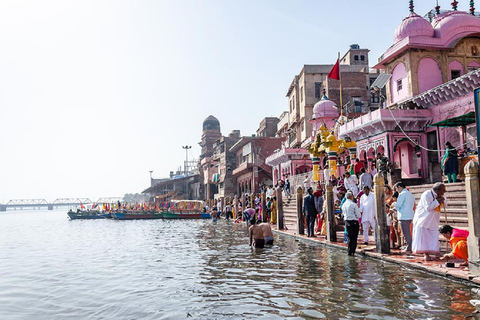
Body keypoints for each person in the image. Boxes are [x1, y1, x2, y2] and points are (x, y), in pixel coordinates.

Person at [412, 182, 447, 261]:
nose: (444, 192)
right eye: (443, 190)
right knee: (424, 237)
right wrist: (437, 201)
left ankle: (436, 252)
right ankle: (426, 254)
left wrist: (442, 201)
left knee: (434, 236)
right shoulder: (427, 194)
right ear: (437, 191)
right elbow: (428, 208)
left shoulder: (442, 194)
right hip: (423, 219)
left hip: (433, 218)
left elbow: (445, 205)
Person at [394, 181, 415, 254]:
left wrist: (395, 208)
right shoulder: (410, 194)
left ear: (399, 187)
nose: (396, 190)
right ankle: (408, 246)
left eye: (396, 188)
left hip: (404, 216)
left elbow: (398, 205)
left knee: (406, 233)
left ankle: (409, 248)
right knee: (408, 232)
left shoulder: (402, 194)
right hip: (409, 215)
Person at [342, 191, 362, 256]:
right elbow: (358, 215)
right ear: (351, 197)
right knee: (354, 238)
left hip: (347, 222)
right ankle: (353, 251)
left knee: (349, 237)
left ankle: (349, 251)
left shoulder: (344, 205)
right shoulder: (353, 204)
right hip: (354, 222)